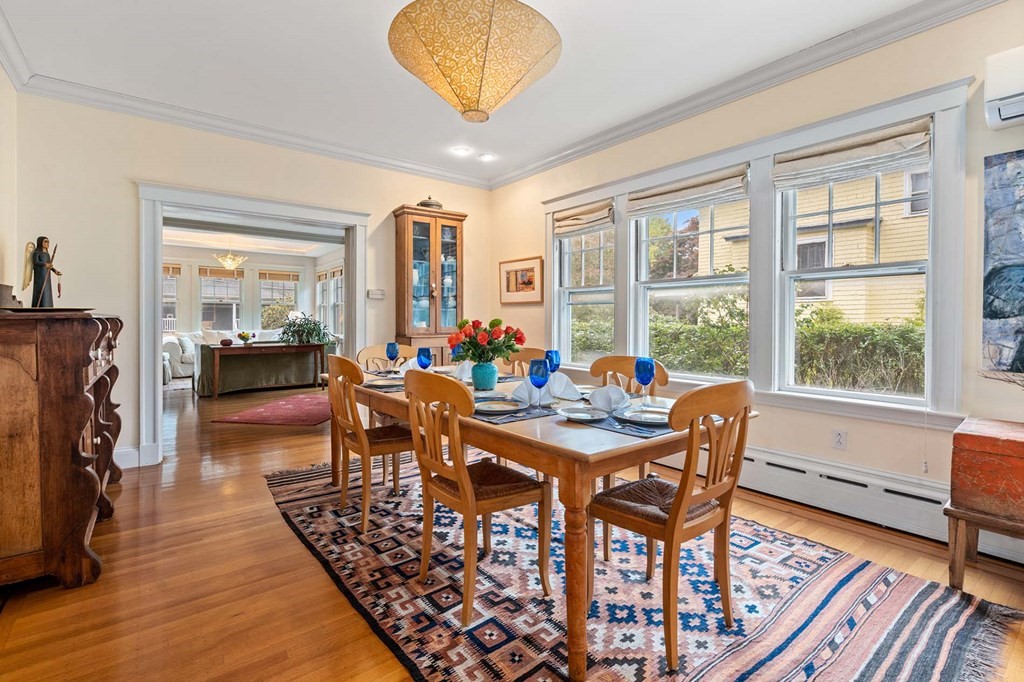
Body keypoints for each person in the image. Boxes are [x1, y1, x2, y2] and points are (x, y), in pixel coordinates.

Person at [32, 236, 61, 307]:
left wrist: (55, 271)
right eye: (45, 241)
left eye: (48, 242)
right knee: (40, 290)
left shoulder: (47, 254)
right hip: (40, 275)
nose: (47, 243)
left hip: (46, 276)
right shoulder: (36, 253)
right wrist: (45, 264)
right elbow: (35, 262)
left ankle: (47, 305)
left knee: (47, 290)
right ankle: (39, 306)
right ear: (40, 242)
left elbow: (49, 265)